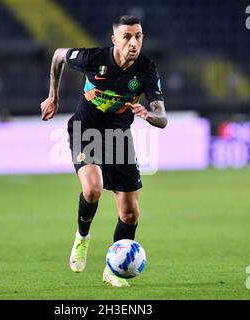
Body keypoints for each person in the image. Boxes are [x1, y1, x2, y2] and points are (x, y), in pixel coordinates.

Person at [40, 15, 167, 287]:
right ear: (115, 40)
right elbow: (59, 55)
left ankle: (113, 269)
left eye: (139, 36)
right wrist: (53, 95)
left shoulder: (147, 69)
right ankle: (82, 237)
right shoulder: (93, 58)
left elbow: (162, 118)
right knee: (93, 189)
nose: (134, 43)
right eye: (127, 37)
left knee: (130, 212)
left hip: (119, 136)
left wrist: (148, 115)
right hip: (86, 130)